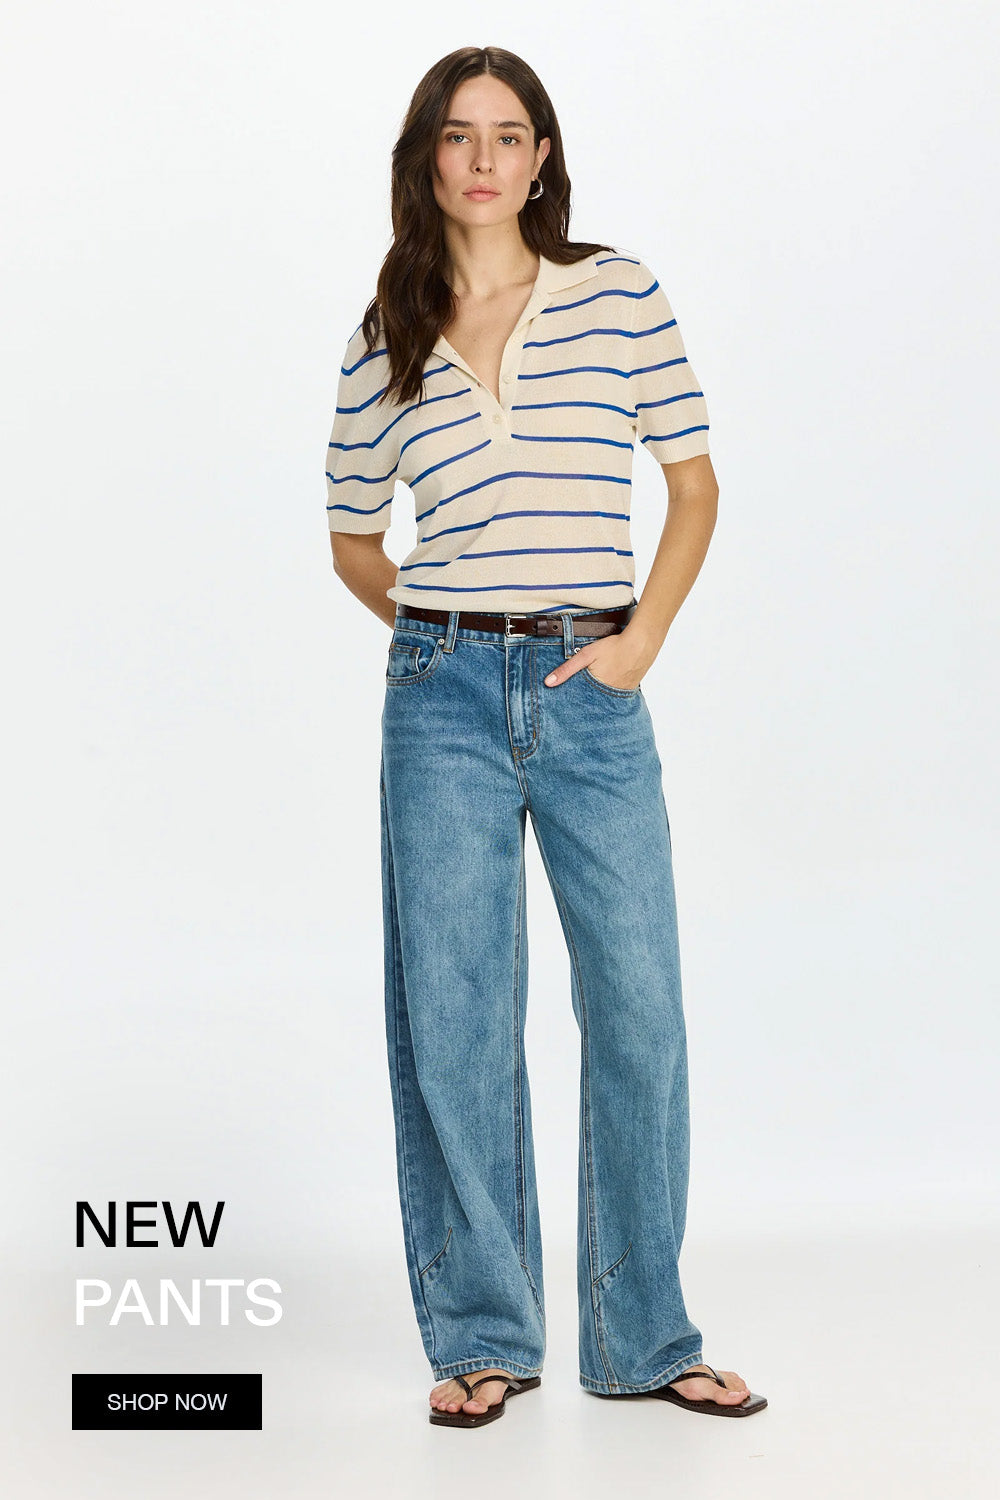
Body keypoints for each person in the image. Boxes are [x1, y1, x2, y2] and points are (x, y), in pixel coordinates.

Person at [325, 46, 767, 1430]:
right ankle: (482, 1335)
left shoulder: (617, 294)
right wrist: (441, 634)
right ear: (427, 158)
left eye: (508, 136)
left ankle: (644, 1335)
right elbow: (353, 541)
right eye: (459, 136)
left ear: (540, 160)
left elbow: (694, 487)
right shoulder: (387, 331)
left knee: (638, 1006)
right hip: (441, 699)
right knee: (457, 1021)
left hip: (594, 687)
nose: (483, 160)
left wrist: (638, 645)